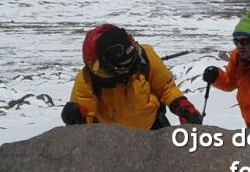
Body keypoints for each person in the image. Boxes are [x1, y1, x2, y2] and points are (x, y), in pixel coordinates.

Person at [61, 24, 202, 129]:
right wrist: (77, 118)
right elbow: (84, 120)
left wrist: (184, 108)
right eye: (123, 66)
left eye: (131, 62)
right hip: (111, 142)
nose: (128, 69)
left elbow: (166, 87)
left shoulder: (145, 57)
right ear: (106, 65)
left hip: (154, 128)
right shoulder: (88, 80)